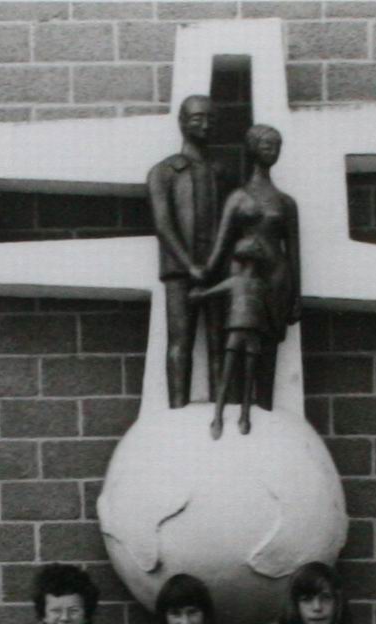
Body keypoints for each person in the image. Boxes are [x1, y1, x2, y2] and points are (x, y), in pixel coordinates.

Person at [206, 122, 302, 411]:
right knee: (237, 342)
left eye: (277, 145)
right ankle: (237, 408)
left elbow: (294, 252)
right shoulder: (237, 198)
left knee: (269, 346)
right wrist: (204, 274)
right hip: (244, 279)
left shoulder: (286, 203)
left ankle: (265, 407)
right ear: (252, 149)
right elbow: (220, 246)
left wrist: (296, 295)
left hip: (276, 278)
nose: (273, 151)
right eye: (266, 145)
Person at [146, 93, 225, 409]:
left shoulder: (221, 172)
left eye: (209, 118)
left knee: (220, 343)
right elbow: (163, 226)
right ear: (182, 122)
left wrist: (215, 262)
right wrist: (189, 264)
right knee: (180, 342)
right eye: (197, 118)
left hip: (217, 268)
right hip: (180, 270)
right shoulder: (163, 172)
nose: (204, 124)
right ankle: (176, 411)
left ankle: (222, 409)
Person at [198, 236, 273, 439]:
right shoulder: (242, 282)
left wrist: (200, 294)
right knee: (233, 376)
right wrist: (200, 295)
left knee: (240, 377)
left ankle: (238, 416)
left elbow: (207, 294)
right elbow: (209, 293)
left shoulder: (255, 284)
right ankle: (222, 417)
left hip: (247, 331)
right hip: (242, 331)